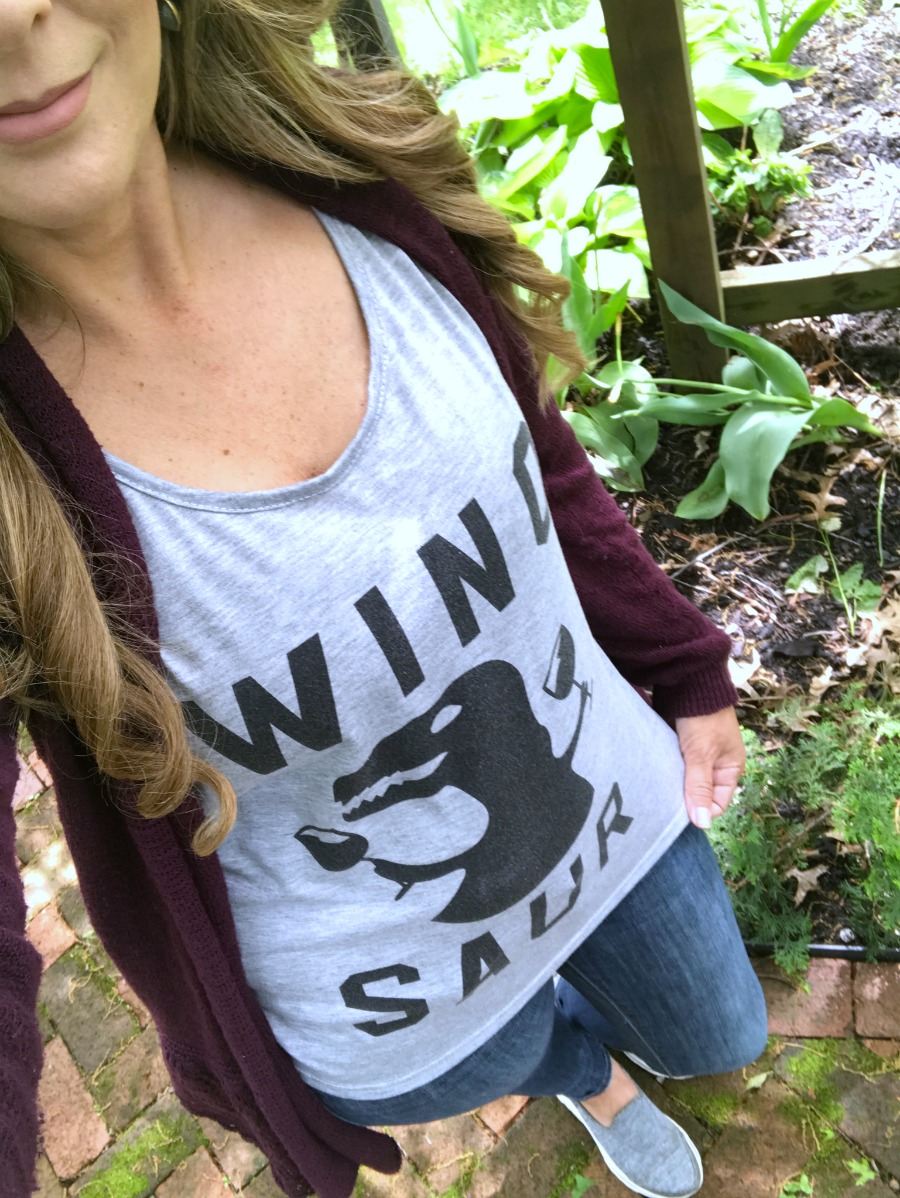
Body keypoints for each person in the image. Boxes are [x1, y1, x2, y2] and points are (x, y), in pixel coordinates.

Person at [0, 0, 768, 1194]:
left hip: (612, 822)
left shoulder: (358, 176)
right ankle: (583, 1070)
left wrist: (680, 661)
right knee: (528, 1047)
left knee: (721, 1031)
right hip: (389, 1013)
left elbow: (537, 453)